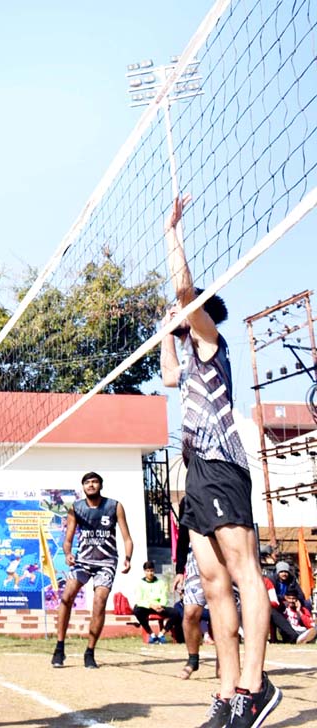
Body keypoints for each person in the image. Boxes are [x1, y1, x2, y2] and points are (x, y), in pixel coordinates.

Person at [161, 194, 281, 727]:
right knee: (212, 584)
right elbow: (167, 376)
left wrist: (172, 233)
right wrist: (167, 334)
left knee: (244, 573)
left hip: (221, 463)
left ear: (202, 316)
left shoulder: (212, 342)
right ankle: (227, 691)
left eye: (186, 315)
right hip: (195, 472)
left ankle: (255, 688)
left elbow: (185, 293)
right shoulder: (187, 356)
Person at [51, 471, 133, 670]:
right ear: (83, 487)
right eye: (87, 482)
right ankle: (60, 648)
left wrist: (128, 558)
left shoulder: (114, 506)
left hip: (106, 562)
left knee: (99, 601)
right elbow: (68, 538)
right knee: (66, 596)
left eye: (95, 482)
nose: (91, 485)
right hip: (83, 561)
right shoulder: (76, 508)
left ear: (100, 485)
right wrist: (68, 553)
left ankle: (90, 652)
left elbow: (127, 538)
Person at [172, 505, 213, 680]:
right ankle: (193, 659)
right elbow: (182, 537)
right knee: (189, 613)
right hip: (194, 563)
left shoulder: (220, 492)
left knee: (222, 613)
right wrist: (180, 570)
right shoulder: (187, 501)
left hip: (221, 558)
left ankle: (225, 663)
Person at [132, 560, 184, 645]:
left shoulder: (161, 583)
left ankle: (161, 634)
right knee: (137, 610)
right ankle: (151, 634)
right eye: (148, 571)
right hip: (147, 607)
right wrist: (150, 605)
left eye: (152, 571)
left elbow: (164, 596)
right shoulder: (140, 584)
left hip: (159, 607)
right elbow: (139, 599)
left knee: (175, 613)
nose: (150, 573)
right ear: (144, 572)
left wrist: (160, 605)